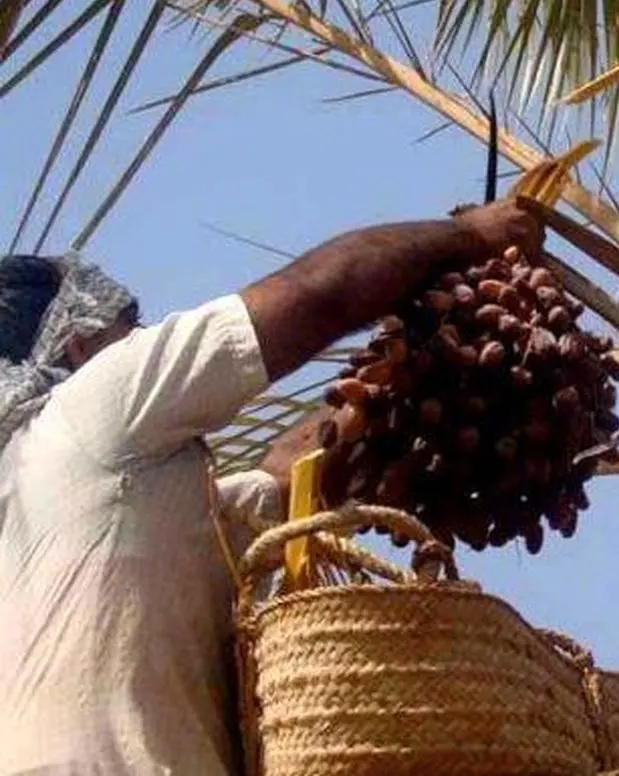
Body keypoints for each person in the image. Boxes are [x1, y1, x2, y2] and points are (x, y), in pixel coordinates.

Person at [0, 199, 544, 776]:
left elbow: (288, 480)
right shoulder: (88, 408)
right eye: (126, 327)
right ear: (78, 340)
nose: (139, 338)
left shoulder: (55, 497)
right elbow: (317, 293)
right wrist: (468, 238)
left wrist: (399, 372)